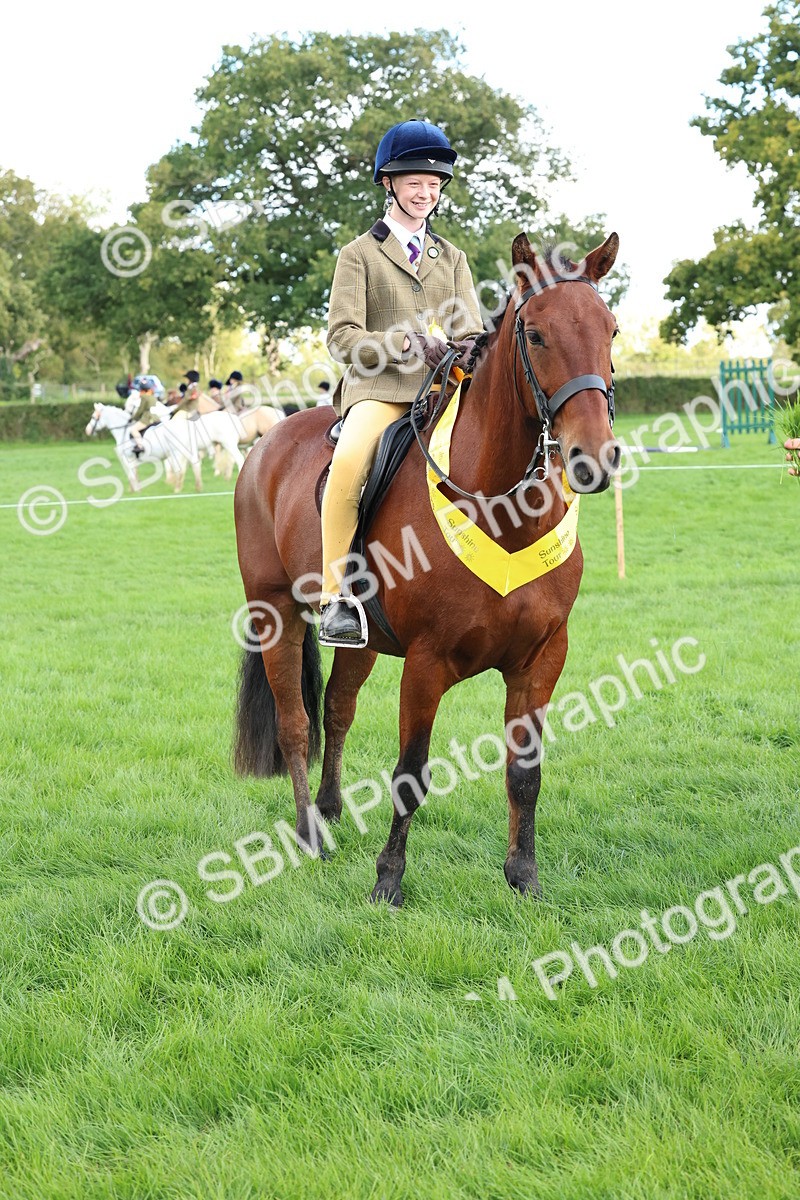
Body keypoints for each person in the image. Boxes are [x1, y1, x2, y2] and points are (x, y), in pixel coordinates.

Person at [319, 118, 484, 648]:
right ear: (389, 183)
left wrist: (469, 349)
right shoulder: (358, 255)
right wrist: (405, 344)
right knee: (348, 463)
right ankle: (335, 597)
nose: (425, 193)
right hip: (381, 392)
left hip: (445, 393)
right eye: (415, 182)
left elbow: (472, 332)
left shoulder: (452, 258)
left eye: (434, 185)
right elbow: (342, 338)